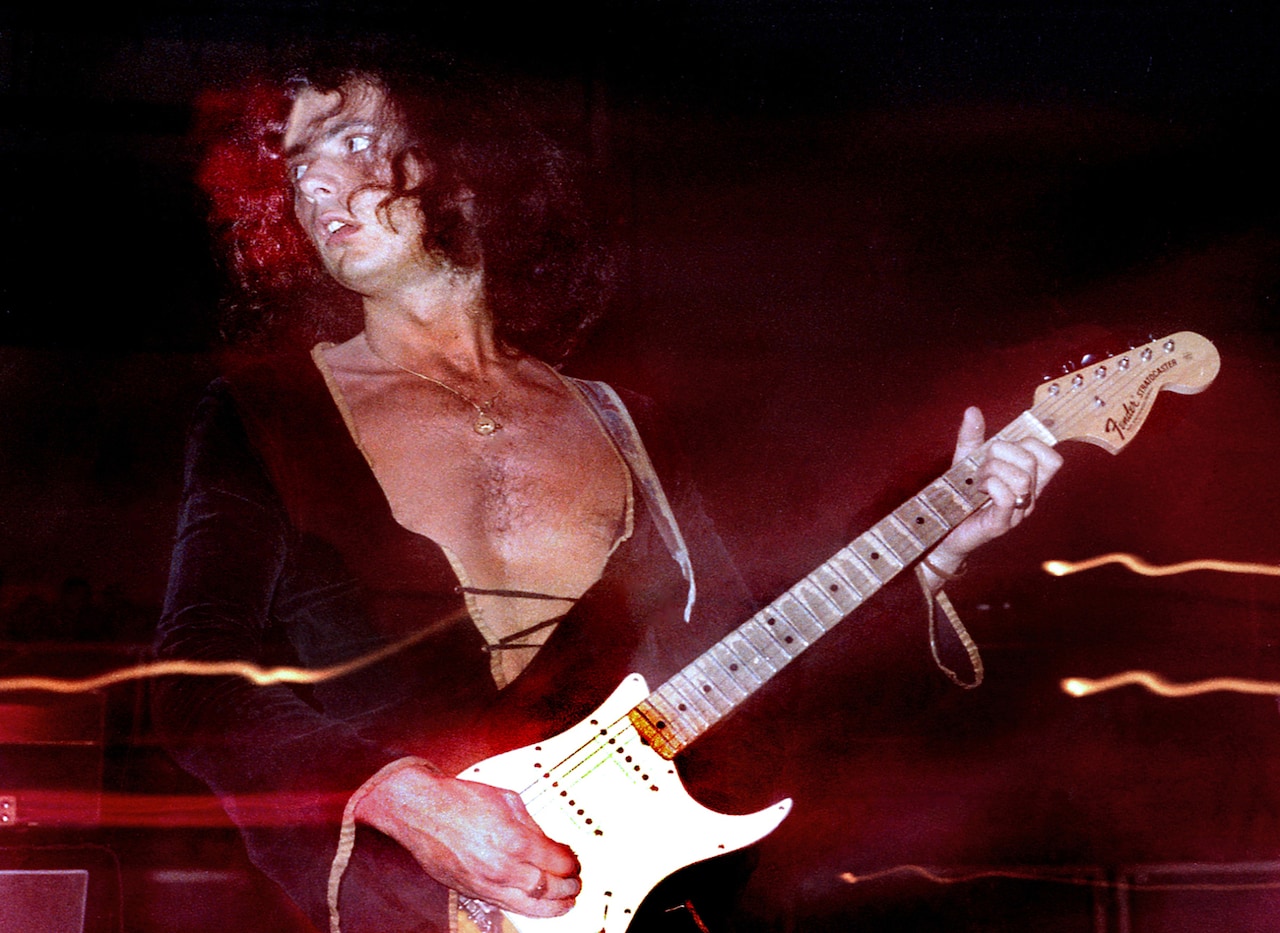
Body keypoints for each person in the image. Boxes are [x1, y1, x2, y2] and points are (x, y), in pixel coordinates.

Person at [154, 52, 1062, 933]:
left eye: (351, 139)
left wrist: (934, 555)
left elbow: (754, 663)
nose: (315, 183)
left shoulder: (628, 421)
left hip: (641, 895)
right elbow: (193, 690)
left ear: (463, 170)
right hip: (414, 909)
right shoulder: (267, 413)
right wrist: (400, 794)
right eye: (298, 161)